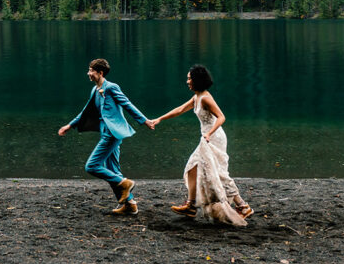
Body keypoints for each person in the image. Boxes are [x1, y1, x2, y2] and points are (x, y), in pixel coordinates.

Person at [151, 64, 251, 226]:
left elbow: (221, 117)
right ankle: (191, 206)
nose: (187, 81)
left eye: (190, 78)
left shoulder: (205, 98)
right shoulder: (197, 97)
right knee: (193, 167)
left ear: (197, 80)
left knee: (218, 172)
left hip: (214, 138)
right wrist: (159, 119)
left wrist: (209, 134)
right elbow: (180, 109)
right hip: (206, 138)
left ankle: (243, 206)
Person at [59, 58, 155, 215]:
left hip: (112, 134)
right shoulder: (95, 90)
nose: (88, 73)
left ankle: (125, 183)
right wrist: (70, 125)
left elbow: (127, 104)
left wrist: (144, 121)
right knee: (113, 169)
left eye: (91, 70)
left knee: (92, 166)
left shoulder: (111, 87)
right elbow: (86, 112)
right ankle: (129, 205)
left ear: (100, 72)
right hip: (106, 133)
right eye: (89, 70)